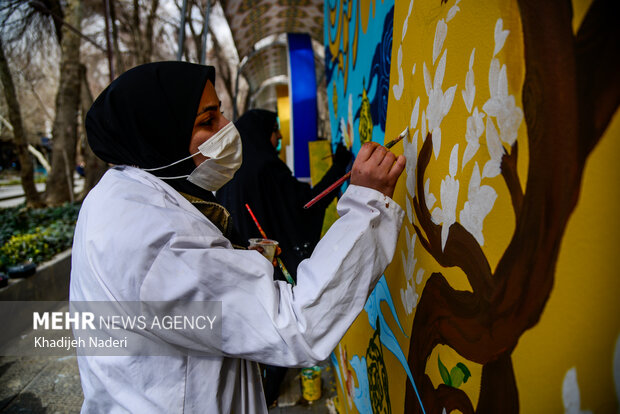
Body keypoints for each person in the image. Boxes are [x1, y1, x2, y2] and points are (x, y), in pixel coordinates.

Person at [70, 61, 406, 413]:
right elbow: (295, 324)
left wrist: (236, 262)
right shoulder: (155, 241)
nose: (226, 128)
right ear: (159, 133)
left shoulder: (116, 196)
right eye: (207, 121)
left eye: (221, 114)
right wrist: (370, 204)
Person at [216, 109, 352, 283]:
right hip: (282, 275)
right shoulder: (266, 169)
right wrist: (339, 167)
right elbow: (309, 204)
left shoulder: (228, 177)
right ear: (260, 133)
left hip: (252, 278)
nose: (279, 136)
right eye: (274, 129)